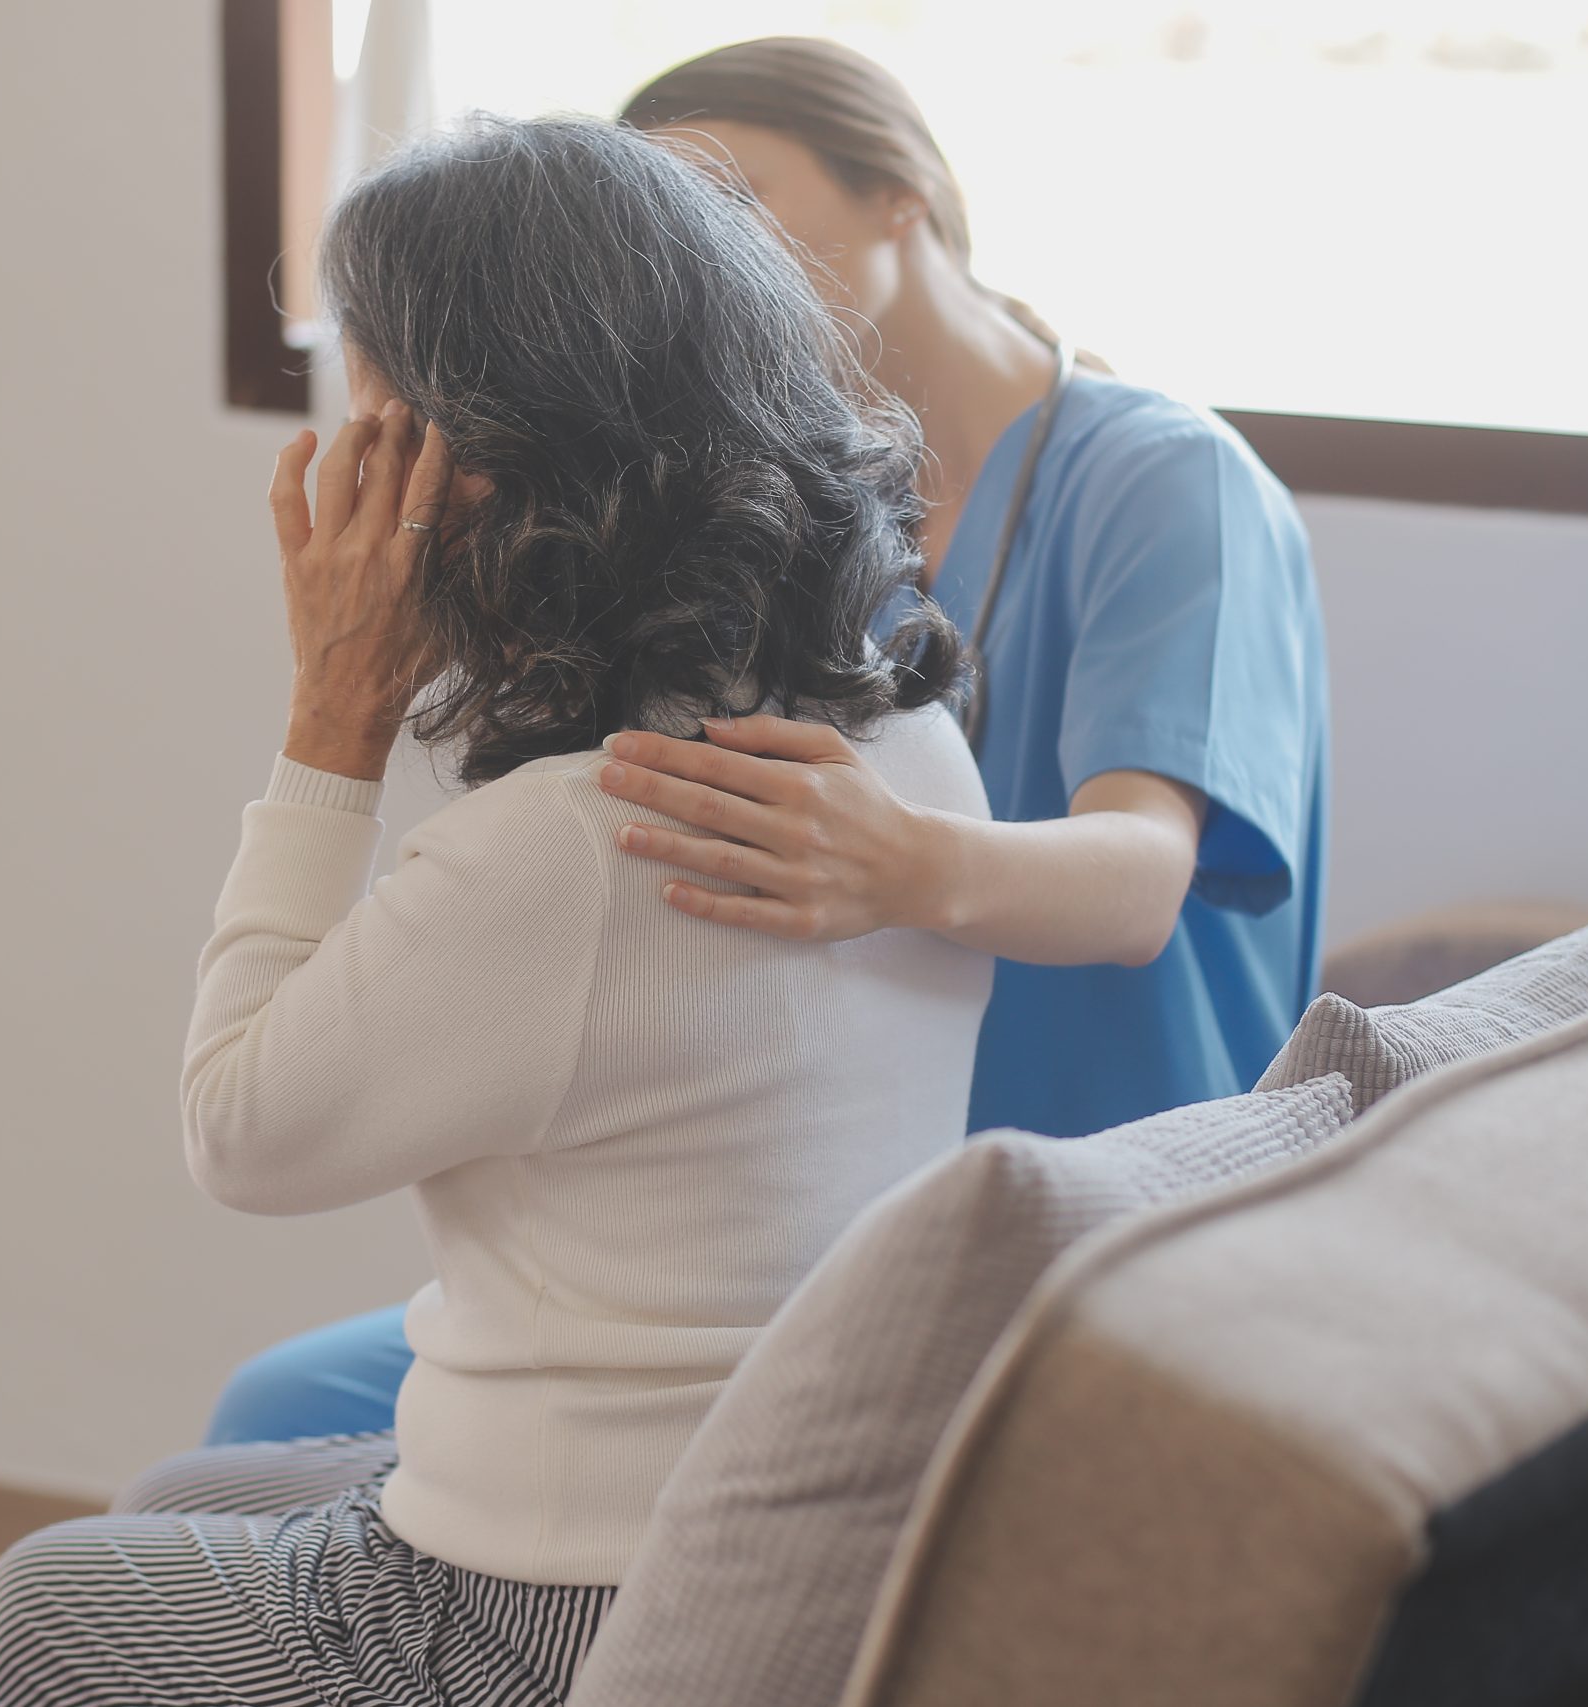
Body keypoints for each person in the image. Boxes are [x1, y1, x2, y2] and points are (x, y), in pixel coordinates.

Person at [0, 114, 993, 1704]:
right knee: (182, 1500)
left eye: (367, 402)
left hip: (574, 1598)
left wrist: (332, 723)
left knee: (53, 1604)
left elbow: (243, 1134)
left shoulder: (584, 843)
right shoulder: (902, 744)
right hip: (802, 1538)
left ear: (469, 452)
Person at [203, 36, 1332, 1453]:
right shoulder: (797, 506)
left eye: (738, 196)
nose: (719, 250)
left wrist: (907, 863)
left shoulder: (1166, 485)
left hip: (1094, 1211)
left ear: (902, 192)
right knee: (284, 1407)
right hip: (839, 1220)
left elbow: (1139, 884)